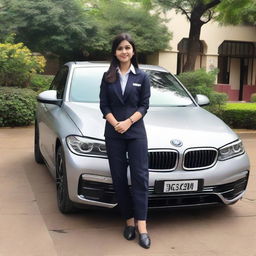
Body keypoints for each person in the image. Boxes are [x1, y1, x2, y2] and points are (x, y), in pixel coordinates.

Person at [99, 33, 151, 249]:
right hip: (114, 133)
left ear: (133, 51)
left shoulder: (142, 76)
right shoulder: (107, 76)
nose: (124, 51)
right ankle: (128, 221)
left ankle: (142, 226)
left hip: (136, 132)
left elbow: (144, 106)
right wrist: (116, 124)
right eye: (120, 48)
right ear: (115, 52)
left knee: (140, 177)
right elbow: (104, 105)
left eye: (127, 47)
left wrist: (128, 122)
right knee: (119, 178)